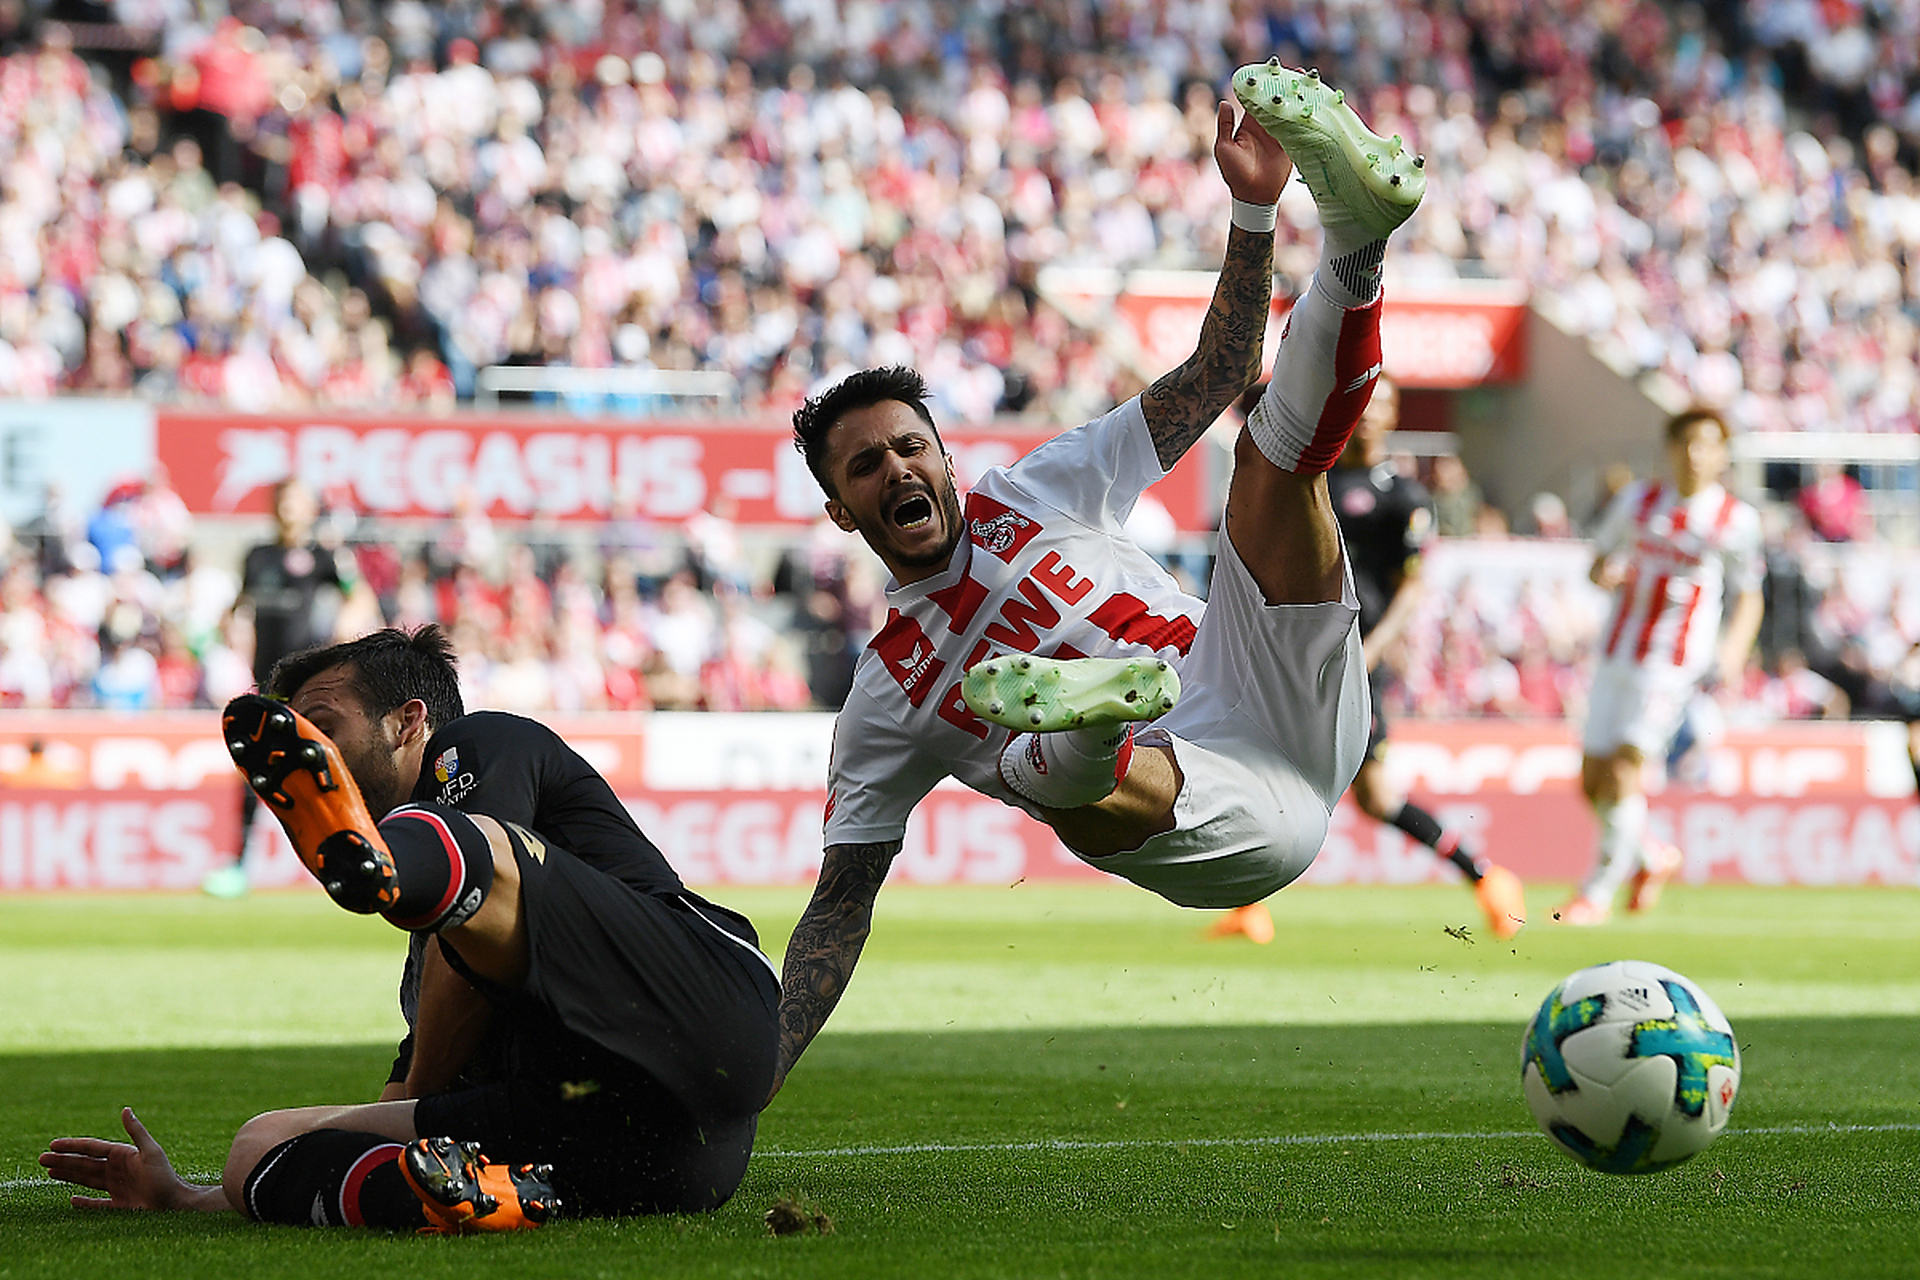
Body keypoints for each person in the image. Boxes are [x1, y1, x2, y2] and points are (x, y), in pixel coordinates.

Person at [772, 60, 1424, 1094]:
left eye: (909, 446)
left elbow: (1215, 375)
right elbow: (841, 904)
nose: (895, 469)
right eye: (864, 467)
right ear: (842, 512)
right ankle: (1089, 722)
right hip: (1213, 809)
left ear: (946, 459)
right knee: (1050, 777)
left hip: (1264, 683)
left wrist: (1255, 211)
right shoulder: (884, 694)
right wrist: (754, 1073)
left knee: (1269, 462)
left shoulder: (1039, 486)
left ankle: (1354, 240)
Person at [44, 626, 778, 1231]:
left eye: (322, 728)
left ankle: (386, 866)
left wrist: (420, 1103)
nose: (309, 751)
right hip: (643, 1154)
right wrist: (187, 1197)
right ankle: (474, 1195)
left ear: (408, 721)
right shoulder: (427, 965)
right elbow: (400, 1091)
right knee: (258, 1145)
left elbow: (423, 1067)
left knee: (481, 850)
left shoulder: (483, 743)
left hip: (700, 1008)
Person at [1211, 374, 1527, 943]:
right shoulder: (1313, 478)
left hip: (1355, 661)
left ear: (1394, 414)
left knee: (1375, 796)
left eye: (1383, 402)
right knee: (1256, 764)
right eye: (1366, 400)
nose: (1372, 411)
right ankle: (1246, 907)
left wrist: (1372, 650)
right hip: (1291, 651)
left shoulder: (1403, 496)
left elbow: (1411, 587)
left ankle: (1486, 877)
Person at [1559, 407, 1764, 925]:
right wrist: (1605, 574)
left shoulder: (1735, 520)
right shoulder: (1637, 500)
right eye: (1687, 443)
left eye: (1707, 445)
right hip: (1617, 650)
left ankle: (1595, 894)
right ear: (1671, 449)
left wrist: (1733, 652)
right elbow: (1598, 562)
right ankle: (1651, 855)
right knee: (1592, 782)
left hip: (1672, 663)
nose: (1695, 454)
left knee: (1626, 768)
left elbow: (1749, 595)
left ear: (1721, 455)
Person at [202, 477, 361, 899]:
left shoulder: (324, 557)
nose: (289, 509)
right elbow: (240, 604)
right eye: (283, 502)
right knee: (254, 772)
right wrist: (226, 624)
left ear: (310, 508)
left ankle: (350, 858)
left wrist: (347, 624)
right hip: (267, 682)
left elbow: (357, 595)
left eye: (296, 502)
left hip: (310, 685)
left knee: (323, 769)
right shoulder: (258, 556)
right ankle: (239, 866)